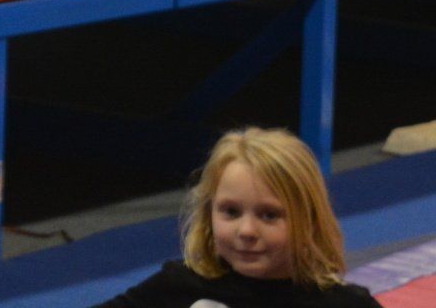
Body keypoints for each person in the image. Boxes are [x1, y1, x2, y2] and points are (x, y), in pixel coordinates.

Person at [92, 127, 382, 307]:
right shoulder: (178, 287)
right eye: (231, 212)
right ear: (209, 212)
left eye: (269, 215)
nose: (246, 231)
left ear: (309, 220)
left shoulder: (344, 305)